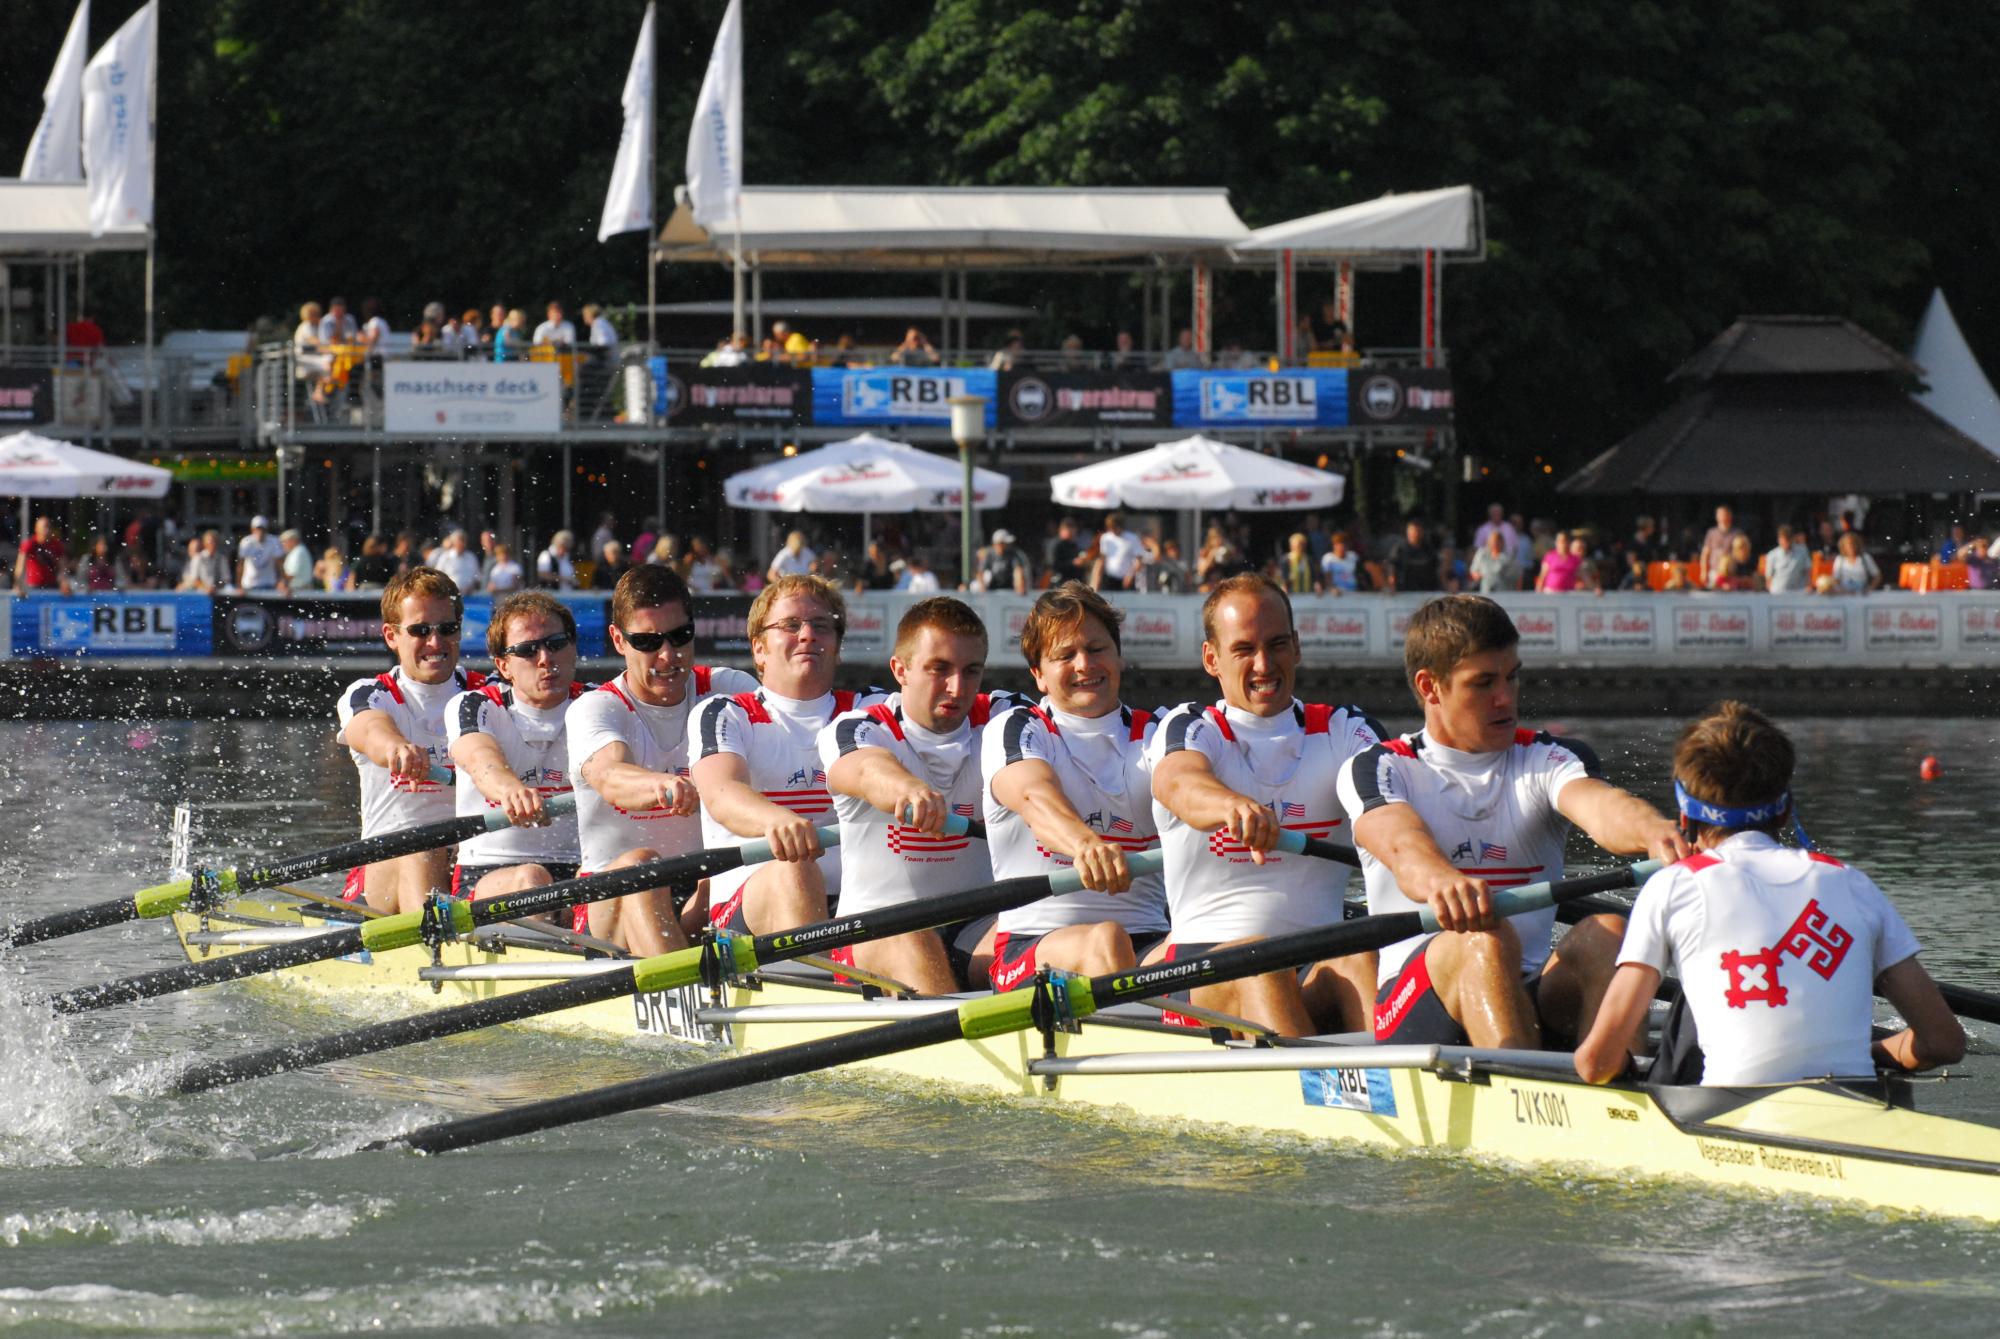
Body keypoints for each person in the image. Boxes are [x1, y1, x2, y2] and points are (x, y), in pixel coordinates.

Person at [1339, 595, 1689, 1052]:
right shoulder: (1380, 767)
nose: (1505, 698)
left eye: (1512, 677)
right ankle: (1533, 1095)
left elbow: (1605, 808)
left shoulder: (1549, 759)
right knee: (1484, 938)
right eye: (1483, 683)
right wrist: (1443, 880)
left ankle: (1627, 1095)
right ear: (1431, 687)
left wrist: (1655, 832)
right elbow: (1402, 845)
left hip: (1527, 988)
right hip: (1415, 1003)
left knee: (1609, 932)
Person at [1575, 701, 1964, 1086]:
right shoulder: (1851, 883)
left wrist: (1623, 1067)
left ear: (1684, 818)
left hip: (1726, 1117)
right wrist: (1871, 1053)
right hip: (1853, 1103)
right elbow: (1943, 1043)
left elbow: (1595, 1064)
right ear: (1783, 811)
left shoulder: (1673, 886)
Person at [1148, 574, 1385, 1036]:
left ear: (1296, 647)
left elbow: (1386, 800)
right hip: (1203, 971)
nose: (1263, 664)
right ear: (1212, 659)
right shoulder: (1193, 726)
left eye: (1277, 645)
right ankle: (1320, 1093)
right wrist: (1232, 806)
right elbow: (1178, 783)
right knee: (1259, 960)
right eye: (1243, 650)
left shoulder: (1345, 729)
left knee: (1360, 954)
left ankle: (1402, 1087)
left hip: (1314, 965)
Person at [983, 583, 1169, 990]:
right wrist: (1086, 846)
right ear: (1040, 676)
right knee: (1105, 940)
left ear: (1118, 657)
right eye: (1065, 655)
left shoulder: (1159, 732)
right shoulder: (1017, 728)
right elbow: (1034, 796)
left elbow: (1189, 783)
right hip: (1031, 946)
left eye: (1096, 649)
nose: (1084, 665)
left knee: (1237, 949)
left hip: (1150, 941)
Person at [820, 597, 1009, 993]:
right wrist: (909, 790)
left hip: (974, 928)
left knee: (1051, 938)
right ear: (900, 670)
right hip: (874, 930)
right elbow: (866, 769)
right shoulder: (858, 727)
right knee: (914, 940)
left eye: (970, 671)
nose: (957, 688)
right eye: (939, 669)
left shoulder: (1004, 717)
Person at [570, 565, 757, 954]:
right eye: (648, 642)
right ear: (618, 640)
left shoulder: (729, 689)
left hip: (703, 891)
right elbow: (608, 775)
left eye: (679, 636)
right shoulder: (597, 707)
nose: (668, 656)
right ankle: (682, 990)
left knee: (728, 870)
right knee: (642, 863)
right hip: (610, 897)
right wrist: (661, 784)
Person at [689, 575, 883, 938]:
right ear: (759, 648)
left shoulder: (871, 709)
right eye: (791, 625)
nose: (808, 635)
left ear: (838, 647)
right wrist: (776, 821)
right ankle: (828, 985)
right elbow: (720, 793)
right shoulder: (724, 712)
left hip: (856, 903)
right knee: (796, 867)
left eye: (821, 626)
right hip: (750, 904)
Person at [336, 568, 485, 914]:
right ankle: (435, 950)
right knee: (423, 846)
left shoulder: (490, 693)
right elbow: (370, 731)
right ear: (391, 636)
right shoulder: (371, 694)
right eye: (420, 630)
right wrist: (394, 749)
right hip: (385, 867)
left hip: (469, 865)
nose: (436, 643)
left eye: (447, 629)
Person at [445, 592, 585, 903]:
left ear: (573, 648)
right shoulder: (475, 704)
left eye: (556, 643)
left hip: (580, 866)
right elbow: (481, 760)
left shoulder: (598, 704)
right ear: (504, 666)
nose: (545, 658)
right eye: (527, 650)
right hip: (489, 871)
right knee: (532, 878)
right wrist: (511, 791)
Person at [15, 517, 72, 595]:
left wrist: (64, 582)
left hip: (52, 586)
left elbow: (63, 567)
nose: (47, 530)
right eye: (44, 527)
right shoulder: (29, 544)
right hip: (34, 587)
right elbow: (20, 567)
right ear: (36, 529)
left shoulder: (57, 545)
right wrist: (18, 584)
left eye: (49, 527)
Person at [1384, 519, 1442, 594]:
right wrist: (1391, 580)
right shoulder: (1399, 548)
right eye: (1413, 531)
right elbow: (1391, 564)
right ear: (1408, 532)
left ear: (1422, 532)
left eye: (1418, 531)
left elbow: (1438, 567)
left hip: (1427, 589)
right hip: (1404, 589)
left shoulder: (1429, 549)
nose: (1416, 534)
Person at [1699, 506, 1747, 588]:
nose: (1723, 517)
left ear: (1730, 516)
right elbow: (1705, 554)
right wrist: (1704, 571)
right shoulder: (1711, 533)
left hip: (1732, 575)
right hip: (1714, 573)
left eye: (1725, 514)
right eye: (1720, 515)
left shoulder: (1737, 533)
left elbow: (1742, 556)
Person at [1094, 513, 1143, 591]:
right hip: (1109, 579)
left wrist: (1130, 575)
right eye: (1110, 528)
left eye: (1115, 527)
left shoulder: (1132, 538)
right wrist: (1097, 581)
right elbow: (1102, 560)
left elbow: (1139, 560)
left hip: (1126, 579)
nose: (1113, 530)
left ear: (1121, 526)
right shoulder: (1106, 538)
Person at [976, 528, 1031, 594]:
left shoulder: (1013, 554)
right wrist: (982, 588)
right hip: (991, 588)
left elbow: (1018, 571)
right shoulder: (989, 554)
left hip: (1009, 588)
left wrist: (1020, 586)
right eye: (1005, 543)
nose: (1008, 545)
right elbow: (980, 572)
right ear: (998, 544)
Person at [236, 516, 283, 591]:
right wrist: (239, 585)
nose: (260, 531)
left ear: (266, 530)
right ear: (252, 529)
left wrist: (281, 582)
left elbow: (279, 564)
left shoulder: (274, 541)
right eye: (257, 529)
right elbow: (240, 565)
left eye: (262, 529)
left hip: (269, 584)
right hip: (249, 584)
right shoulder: (246, 542)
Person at [430, 529, 483, 594]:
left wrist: (471, 587)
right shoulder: (445, 557)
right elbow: (438, 576)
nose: (463, 543)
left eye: (464, 540)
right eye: (460, 540)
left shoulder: (471, 557)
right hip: (450, 595)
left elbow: (477, 577)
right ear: (454, 542)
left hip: (470, 596)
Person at [1469, 527, 1521, 593]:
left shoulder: (1508, 557)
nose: (1496, 544)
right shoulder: (1482, 553)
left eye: (1498, 541)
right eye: (1494, 541)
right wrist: (1478, 576)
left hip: (1504, 591)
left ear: (1502, 542)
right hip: (1485, 589)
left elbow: (1518, 575)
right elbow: (1473, 570)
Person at [1763, 525, 1812, 595]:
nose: (1785, 542)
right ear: (1779, 539)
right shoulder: (1772, 555)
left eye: (1788, 539)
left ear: (1792, 539)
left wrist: (1808, 586)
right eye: (1783, 539)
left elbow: (1808, 570)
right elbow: (1768, 577)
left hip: (1799, 592)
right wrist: (1771, 592)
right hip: (1777, 593)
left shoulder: (1802, 551)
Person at [278, 529, 315, 594]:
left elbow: (291, 574)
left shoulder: (299, 551)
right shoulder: (297, 551)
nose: (283, 545)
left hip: (300, 591)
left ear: (293, 540)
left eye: (284, 542)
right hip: (298, 590)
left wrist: (283, 584)